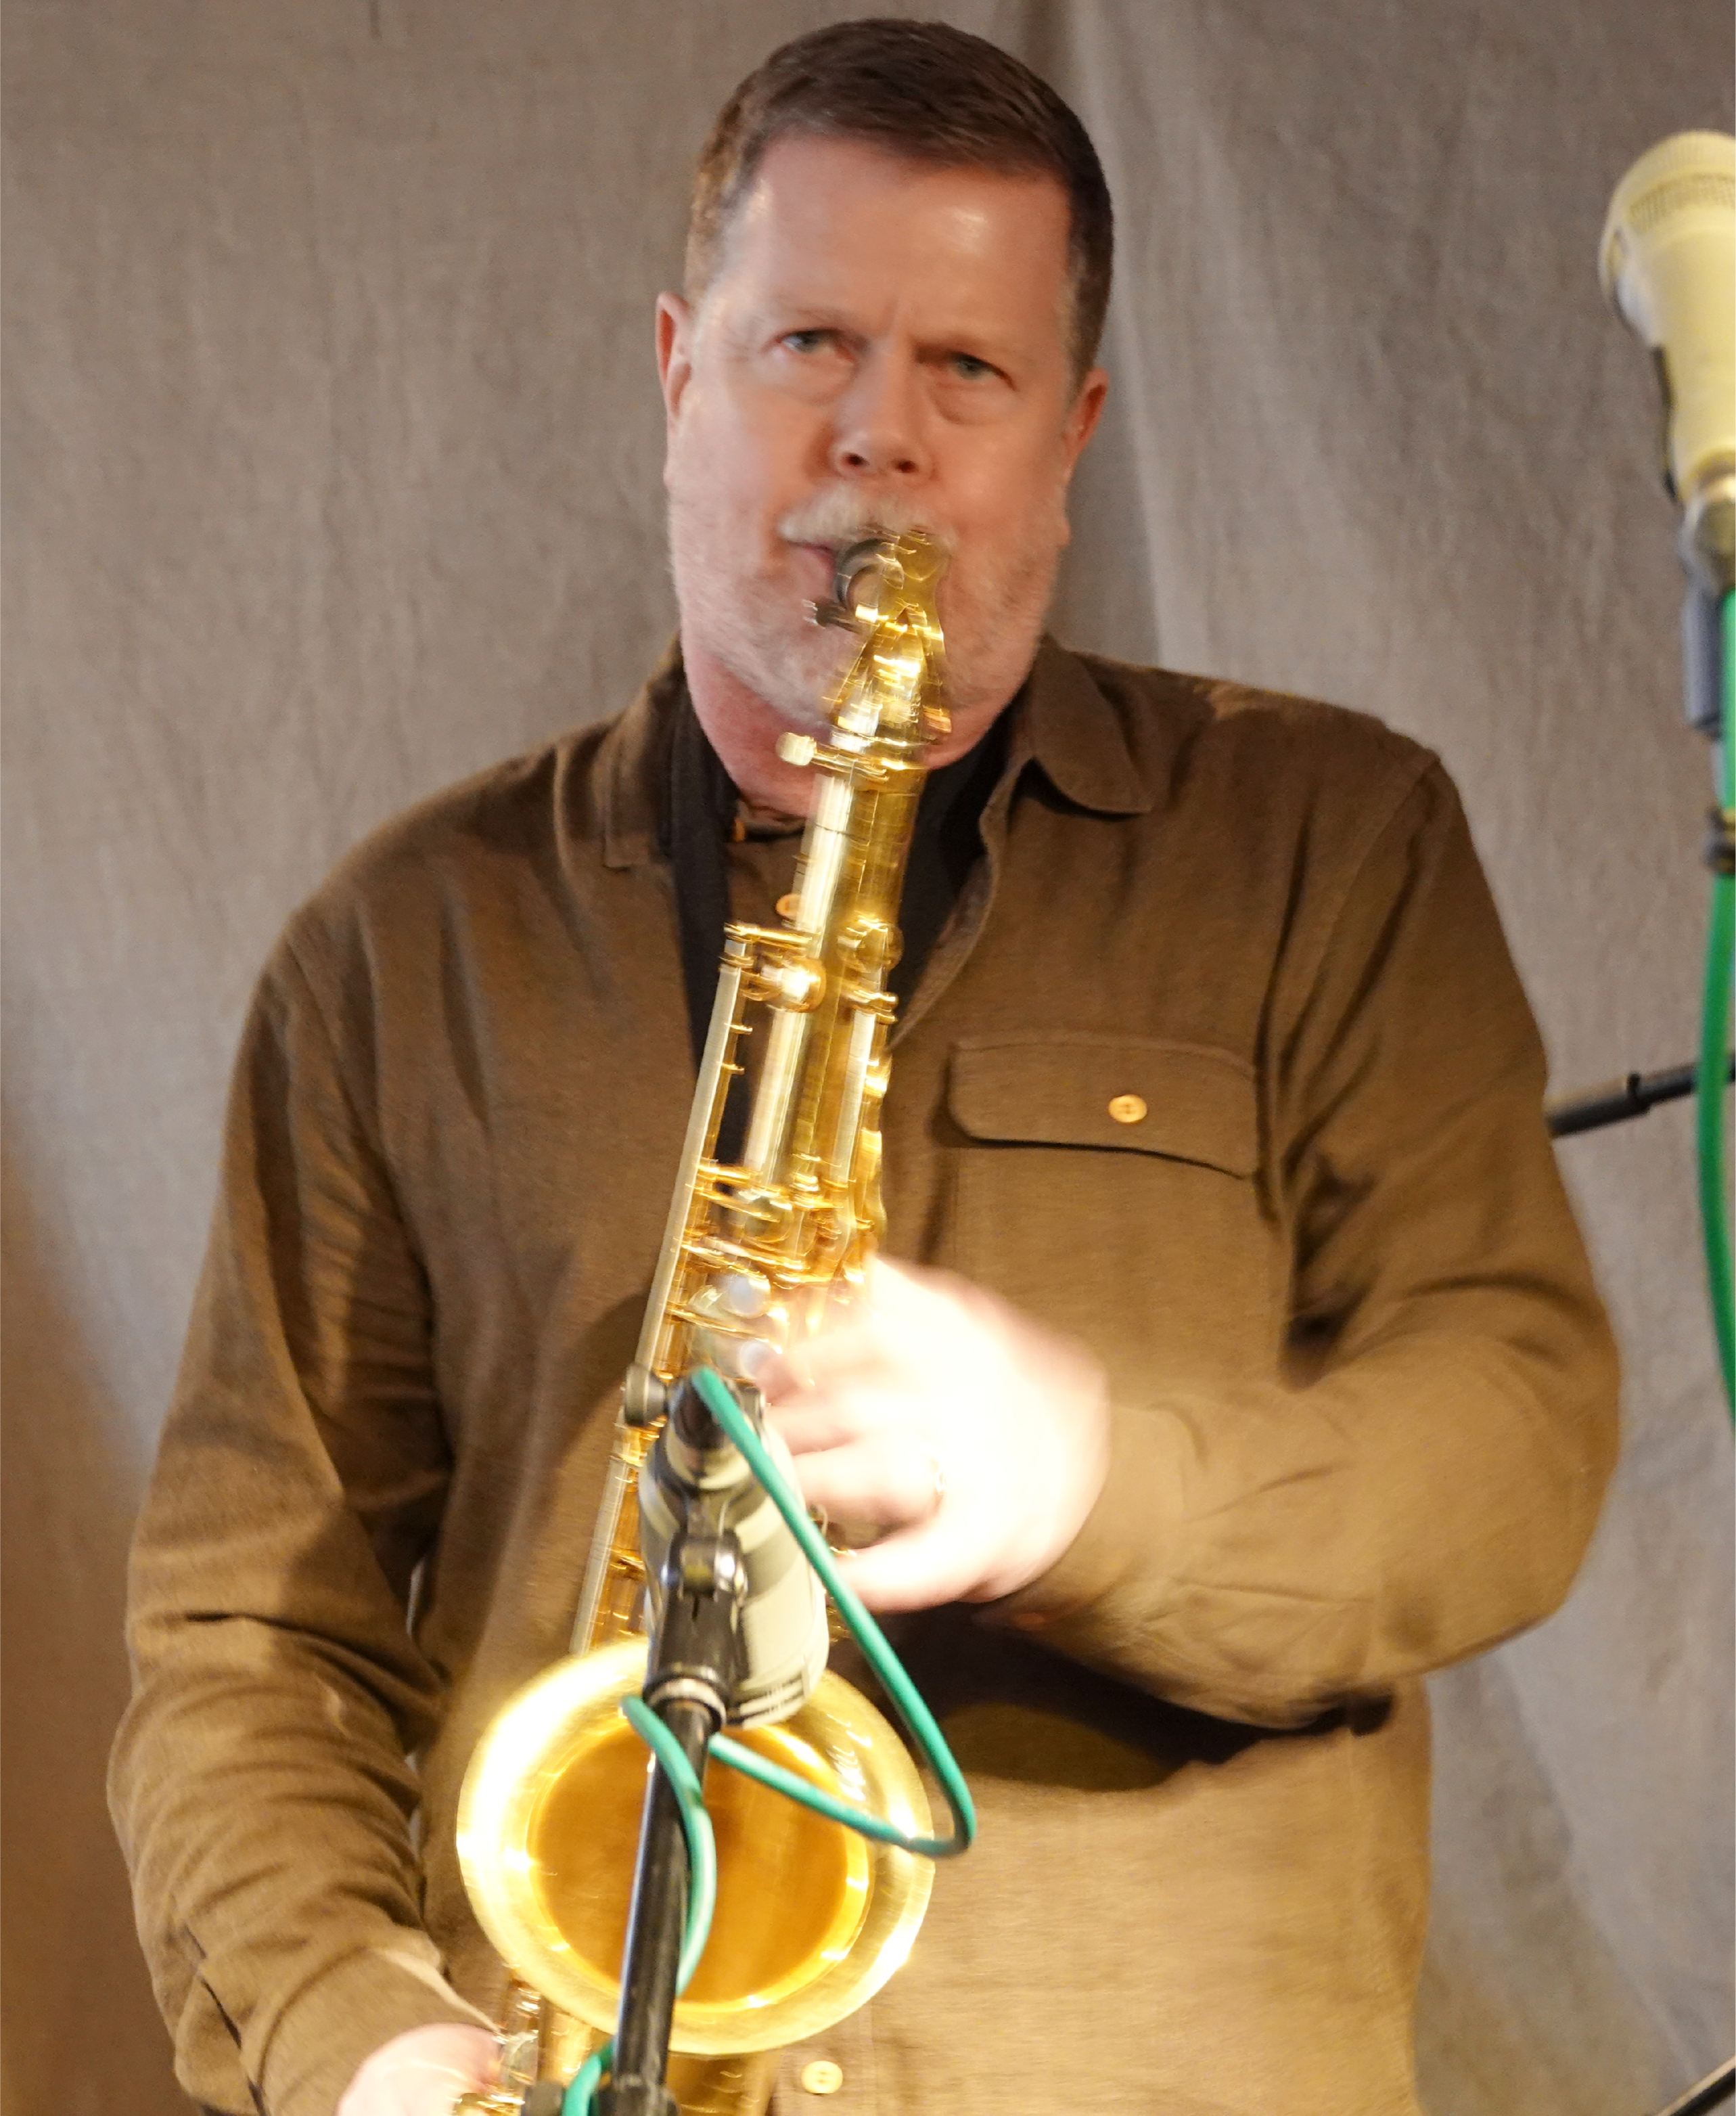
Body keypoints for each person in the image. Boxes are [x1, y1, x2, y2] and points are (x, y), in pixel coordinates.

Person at [109, 20, 1619, 2116]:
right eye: (809, 343)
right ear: (677, 370)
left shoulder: (1329, 842)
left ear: (1071, 432)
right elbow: (252, 1643)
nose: (876, 443)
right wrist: (360, 2049)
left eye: (967, 373)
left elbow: (1516, 1444)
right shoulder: (400, 946)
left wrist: (1086, 1476)